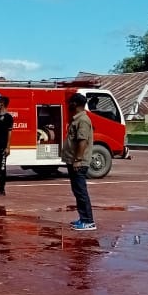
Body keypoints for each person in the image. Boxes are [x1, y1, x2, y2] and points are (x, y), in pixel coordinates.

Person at [64, 93, 96, 231]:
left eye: (70, 102)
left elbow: (82, 141)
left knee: (81, 191)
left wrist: (78, 160)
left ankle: (88, 221)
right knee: (78, 191)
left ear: (75, 104)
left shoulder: (82, 120)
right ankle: (83, 218)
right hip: (74, 161)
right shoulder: (77, 119)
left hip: (79, 163)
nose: (68, 105)